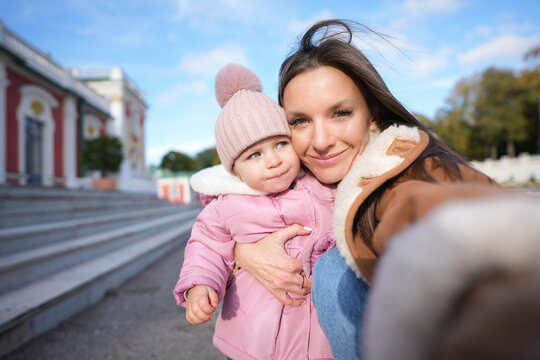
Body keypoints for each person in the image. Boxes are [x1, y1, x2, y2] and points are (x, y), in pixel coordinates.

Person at [232, 19, 507, 359]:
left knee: (335, 271)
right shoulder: (290, 177)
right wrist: (239, 252)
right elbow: (221, 217)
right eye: (300, 121)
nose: (320, 141)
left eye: (341, 113)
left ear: (372, 115)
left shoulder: (413, 171)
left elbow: (424, 209)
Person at [173, 63, 336, 360]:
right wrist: (199, 285)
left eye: (281, 144)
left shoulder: (322, 188)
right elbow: (206, 247)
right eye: (255, 154)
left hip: (319, 339)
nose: (273, 160)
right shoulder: (226, 206)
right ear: (235, 169)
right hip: (253, 342)